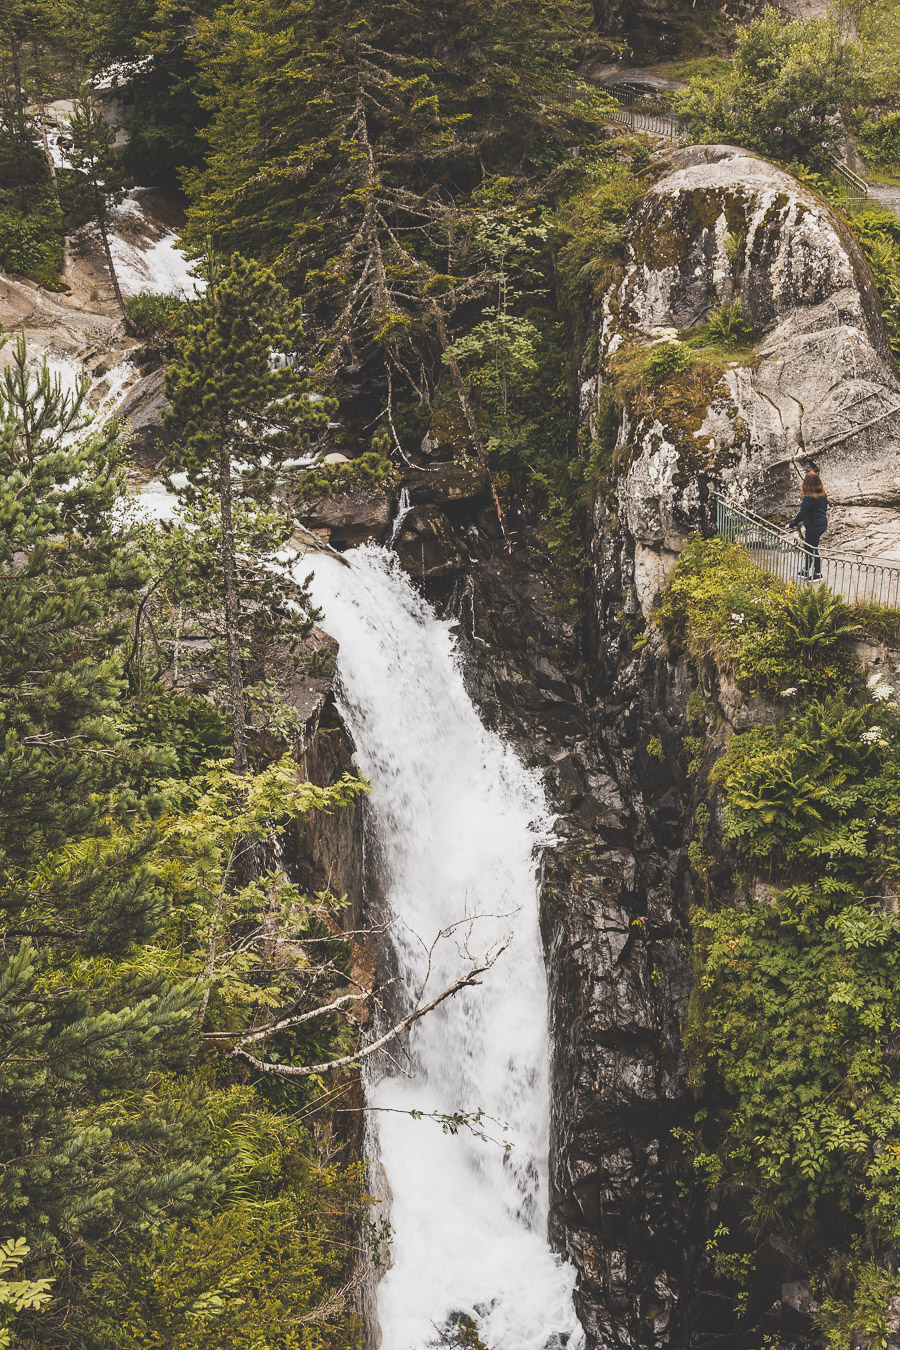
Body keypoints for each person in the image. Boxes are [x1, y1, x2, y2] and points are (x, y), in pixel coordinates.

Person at [789, 470, 828, 580]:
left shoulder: (808, 497)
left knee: (812, 549)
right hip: (822, 524)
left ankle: (817, 573)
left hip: (813, 526)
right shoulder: (823, 495)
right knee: (809, 547)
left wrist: (792, 524)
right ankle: (806, 570)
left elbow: (802, 514)